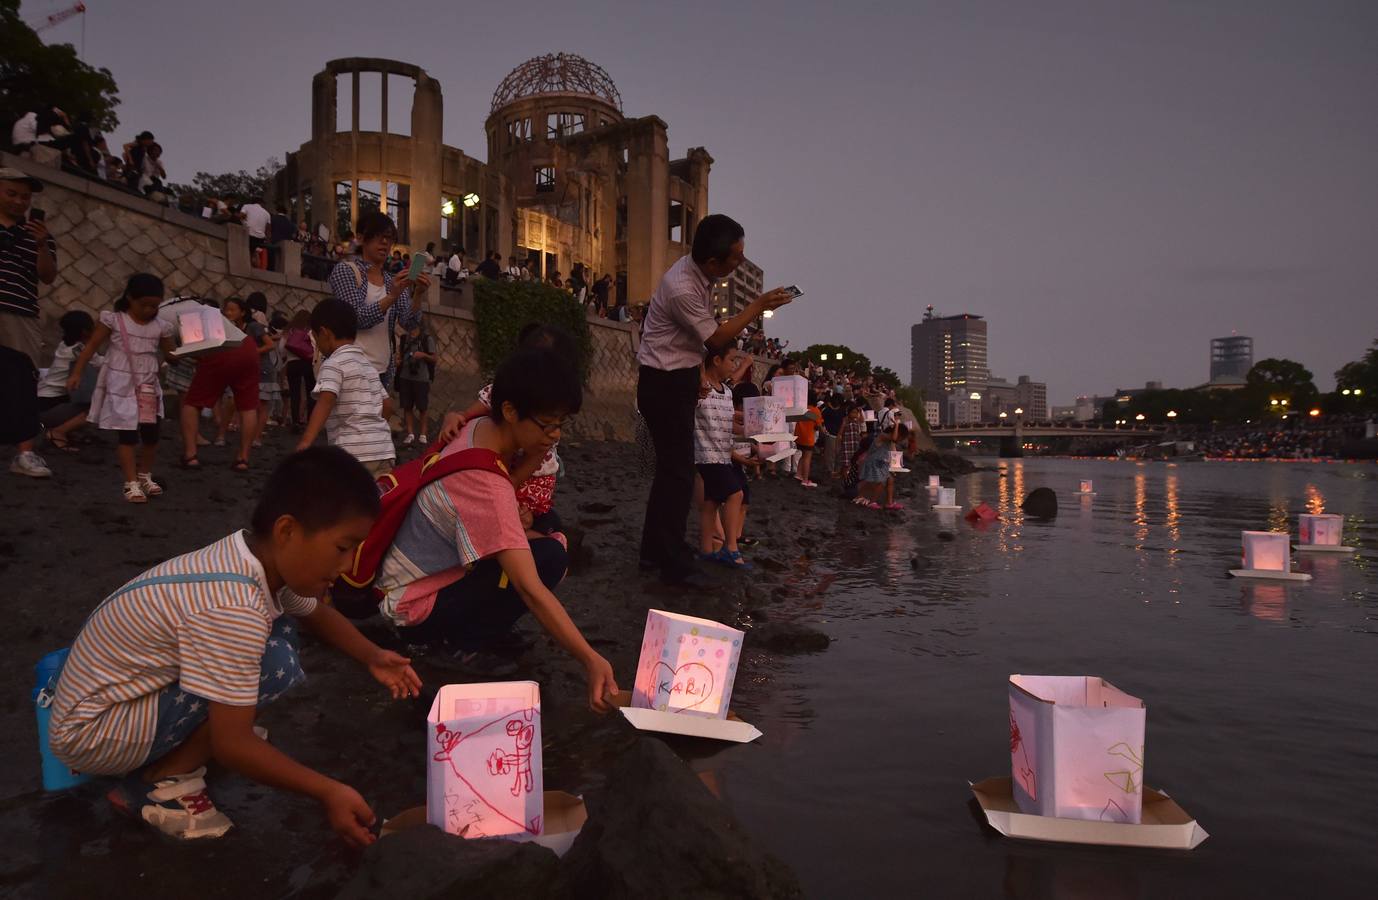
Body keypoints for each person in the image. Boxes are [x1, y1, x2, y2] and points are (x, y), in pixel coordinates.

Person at [46, 446, 419, 844]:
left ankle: (186, 743)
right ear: (287, 531)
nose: (346, 566)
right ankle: (160, 784)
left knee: (275, 643)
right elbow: (233, 745)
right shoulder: (233, 605)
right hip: (93, 732)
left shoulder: (251, 556)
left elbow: (315, 613)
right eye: (343, 548)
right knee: (272, 661)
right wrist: (329, 791)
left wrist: (372, 655)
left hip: (107, 698)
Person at [371, 345, 619, 707]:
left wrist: (534, 455)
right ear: (509, 410)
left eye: (561, 425)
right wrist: (590, 659)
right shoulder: (486, 485)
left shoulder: (477, 427)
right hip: (411, 606)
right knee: (548, 558)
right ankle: (462, 646)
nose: (554, 436)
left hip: (405, 578)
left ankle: (482, 629)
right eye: (547, 424)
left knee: (546, 541)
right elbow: (529, 588)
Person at [635, 214, 795, 584]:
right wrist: (756, 306)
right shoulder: (682, 287)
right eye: (735, 257)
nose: (740, 261)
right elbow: (716, 340)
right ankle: (671, 562)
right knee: (677, 475)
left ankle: (654, 553)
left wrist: (694, 376)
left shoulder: (697, 274)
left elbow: (690, 344)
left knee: (670, 474)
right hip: (663, 383)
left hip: (673, 378)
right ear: (712, 262)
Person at [437, 324, 576, 535]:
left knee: (540, 520)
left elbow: (537, 456)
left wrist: (514, 482)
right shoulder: (505, 390)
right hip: (500, 476)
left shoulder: (549, 421)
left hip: (527, 478)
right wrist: (453, 419)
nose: (556, 432)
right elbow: (468, 415)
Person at [66, 273, 177, 503]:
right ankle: (131, 482)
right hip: (121, 384)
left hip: (147, 385)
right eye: (143, 304)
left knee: (151, 433)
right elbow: (91, 347)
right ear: (129, 298)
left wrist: (193, 354)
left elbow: (171, 354)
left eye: (154, 306)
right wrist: (77, 372)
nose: (149, 310)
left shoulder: (161, 326)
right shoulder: (114, 320)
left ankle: (145, 475)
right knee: (127, 434)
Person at [1, 167, 58, 477]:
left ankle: (24, 454)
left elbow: (48, 276)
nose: (19, 201)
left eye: (24, 196)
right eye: (11, 193)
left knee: (22, 382)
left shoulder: (38, 235)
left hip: (21, 312)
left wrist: (40, 244)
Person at [295, 298, 394, 477]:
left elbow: (325, 402)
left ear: (324, 333)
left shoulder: (333, 363)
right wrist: (374, 431)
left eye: (315, 338)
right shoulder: (367, 365)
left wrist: (306, 441)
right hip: (383, 450)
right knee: (376, 500)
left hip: (351, 454)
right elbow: (387, 405)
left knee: (345, 499)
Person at [327, 212, 427, 388]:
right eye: (377, 237)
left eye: (389, 238)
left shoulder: (392, 281)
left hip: (382, 372)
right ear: (360, 238)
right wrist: (391, 297)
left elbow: (409, 323)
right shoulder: (347, 271)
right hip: (349, 370)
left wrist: (418, 294)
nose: (384, 243)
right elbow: (355, 318)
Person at [179, 297, 261, 471]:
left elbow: (194, 350)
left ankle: (191, 455)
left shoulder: (188, 315)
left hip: (222, 348)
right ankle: (243, 458)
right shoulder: (216, 316)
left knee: (193, 402)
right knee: (248, 407)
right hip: (248, 347)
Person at [695, 345, 751, 568]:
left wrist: (755, 428)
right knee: (735, 494)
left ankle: (707, 549)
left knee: (711, 502)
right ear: (716, 360)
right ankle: (731, 548)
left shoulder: (727, 392)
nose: (734, 366)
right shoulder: (701, 388)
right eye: (732, 361)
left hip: (721, 455)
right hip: (704, 454)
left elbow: (731, 426)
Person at [37, 310, 100, 451]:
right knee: (98, 407)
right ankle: (57, 433)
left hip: (43, 403)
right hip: (49, 407)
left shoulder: (65, 345)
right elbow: (100, 363)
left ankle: (64, 429)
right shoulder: (78, 350)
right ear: (85, 331)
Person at [396, 320, 436, 446]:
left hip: (421, 378)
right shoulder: (404, 339)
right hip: (405, 376)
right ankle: (410, 434)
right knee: (407, 406)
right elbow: (399, 356)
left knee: (422, 407)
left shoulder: (427, 339)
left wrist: (423, 355)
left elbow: (434, 358)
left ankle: (423, 435)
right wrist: (398, 361)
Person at [857, 419, 909, 511]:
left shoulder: (890, 441)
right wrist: (897, 425)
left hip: (881, 463)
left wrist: (895, 465)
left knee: (890, 480)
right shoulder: (882, 436)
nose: (900, 440)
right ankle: (872, 501)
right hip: (874, 462)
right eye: (901, 437)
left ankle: (889, 503)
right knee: (880, 482)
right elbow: (894, 438)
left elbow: (893, 451)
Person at [282, 309, 316, 429]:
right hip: (308, 363)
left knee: (294, 393)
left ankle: (295, 421)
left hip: (293, 364)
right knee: (310, 392)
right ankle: (310, 421)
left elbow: (282, 349)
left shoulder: (289, 330)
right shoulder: (311, 331)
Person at [794, 388, 822, 488]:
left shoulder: (802, 408)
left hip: (798, 436)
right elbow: (818, 425)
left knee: (803, 455)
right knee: (807, 458)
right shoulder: (815, 411)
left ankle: (798, 474)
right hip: (808, 438)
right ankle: (805, 480)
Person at [239, 198, 271, 265]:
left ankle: (247, 263)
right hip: (260, 238)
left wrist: (245, 223)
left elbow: (241, 216)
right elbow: (268, 230)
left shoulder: (247, 206)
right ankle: (253, 262)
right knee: (253, 250)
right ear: (261, 203)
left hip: (249, 235)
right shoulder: (267, 213)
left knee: (248, 249)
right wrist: (267, 241)